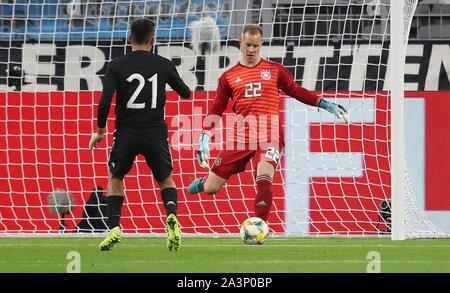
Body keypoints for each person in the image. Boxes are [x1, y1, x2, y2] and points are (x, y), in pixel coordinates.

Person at [188, 25, 348, 223]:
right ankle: (205, 182)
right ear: (240, 44)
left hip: (269, 135)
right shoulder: (228, 77)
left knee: (264, 179)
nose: (251, 50)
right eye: (247, 45)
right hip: (241, 137)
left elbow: (296, 91)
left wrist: (323, 103)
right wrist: (205, 135)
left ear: (261, 44)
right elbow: (216, 109)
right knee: (212, 188)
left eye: (255, 46)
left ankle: (259, 225)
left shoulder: (274, 70)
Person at [89, 18, 190, 251]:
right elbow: (185, 93)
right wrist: (168, 77)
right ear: (153, 40)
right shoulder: (164, 64)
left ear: (129, 39)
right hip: (155, 131)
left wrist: (100, 130)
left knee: (115, 177)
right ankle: (172, 217)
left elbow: (105, 101)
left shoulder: (116, 65)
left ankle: (114, 227)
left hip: (126, 132)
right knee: (165, 178)